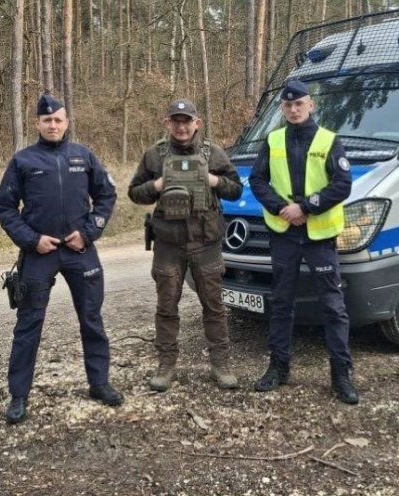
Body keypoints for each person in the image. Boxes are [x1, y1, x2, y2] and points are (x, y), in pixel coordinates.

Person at [0, 94, 123, 425]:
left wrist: (89, 232)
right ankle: (18, 396)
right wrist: (31, 239)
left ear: (66, 123)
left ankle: (99, 383)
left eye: (58, 120)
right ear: (37, 123)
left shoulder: (84, 156)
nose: (53, 125)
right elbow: (5, 207)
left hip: (80, 251)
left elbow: (107, 195)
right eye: (47, 120)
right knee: (28, 325)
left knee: (92, 319)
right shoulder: (24, 160)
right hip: (40, 254)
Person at [248, 80, 359, 404]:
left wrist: (306, 207)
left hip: (319, 236)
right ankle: (278, 367)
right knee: (281, 302)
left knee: (333, 306)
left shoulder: (329, 140)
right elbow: (257, 179)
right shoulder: (273, 139)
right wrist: (282, 208)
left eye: (300, 104)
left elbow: (342, 184)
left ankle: (341, 375)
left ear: (312, 105)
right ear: (282, 108)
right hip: (284, 232)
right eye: (288, 105)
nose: (294, 110)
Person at [128, 98, 243, 391]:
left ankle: (221, 364)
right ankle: (166, 365)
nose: (181, 126)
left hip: (206, 243)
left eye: (186, 120)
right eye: (175, 121)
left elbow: (235, 190)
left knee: (214, 307)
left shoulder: (213, 153)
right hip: (168, 244)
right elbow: (134, 193)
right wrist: (156, 186)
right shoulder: (154, 155)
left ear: (197, 123)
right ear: (168, 123)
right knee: (166, 307)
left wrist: (213, 180)